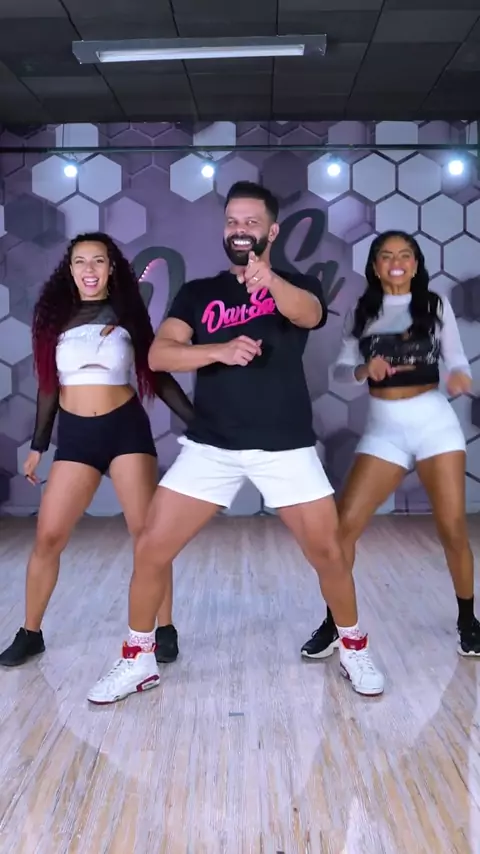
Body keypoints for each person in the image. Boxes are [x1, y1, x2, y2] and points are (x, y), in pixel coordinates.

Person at [87, 181, 385, 705]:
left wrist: (269, 281)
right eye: (231, 221)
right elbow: (159, 355)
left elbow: (309, 315)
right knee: (151, 546)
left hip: (284, 446)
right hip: (213, 446)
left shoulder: (297, 285)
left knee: (329, 552)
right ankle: (138, 659)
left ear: (272, 230)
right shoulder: (199, 292)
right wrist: (217, 351)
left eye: (250, 222)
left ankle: (353, 645)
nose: (239, 229)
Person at [0, 232, 193, 669]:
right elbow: (49, 386)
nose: (89, 269)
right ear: (70, 270)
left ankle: (163, 629)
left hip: (125, 432)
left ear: (111, 268)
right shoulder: (53, 319)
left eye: (98, 261)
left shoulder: (129, 314)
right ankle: (30, 634)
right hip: (76, 437)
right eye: (81, 261)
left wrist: (198, 421)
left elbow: (158, 376)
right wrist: (38, 446)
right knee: (48, 536)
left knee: (148, 536)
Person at [301, 230, 480, 661]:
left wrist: (460, 375)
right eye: (386, 256)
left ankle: (468, 620)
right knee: (344, 529)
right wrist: (365, 369)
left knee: (452, 527)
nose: (396, 262)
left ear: (416, 264)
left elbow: (456, 358)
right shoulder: (362, 311)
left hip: (435, 426)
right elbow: (340, 371)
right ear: (375, 266)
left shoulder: (434, 305)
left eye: (404, 255)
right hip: (384, 431)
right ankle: (336, 622)